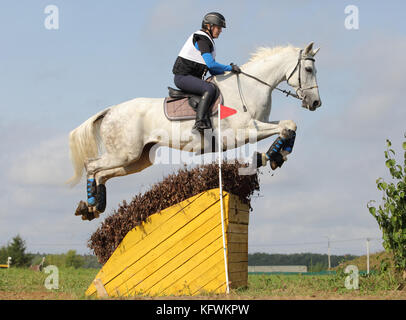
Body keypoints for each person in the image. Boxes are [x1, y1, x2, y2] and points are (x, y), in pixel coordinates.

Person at [172, 12, 241, 133]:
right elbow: (211, 64)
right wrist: (230, 68)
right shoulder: (202, 39)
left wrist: (230, 74)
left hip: (191, 78)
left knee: (215, 86)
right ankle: (200, 122)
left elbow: (213, 70)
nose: (220, 31)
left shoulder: (208, 41)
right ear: (209, 26)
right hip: (183, 77)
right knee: (209, 89)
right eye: (218, 27)